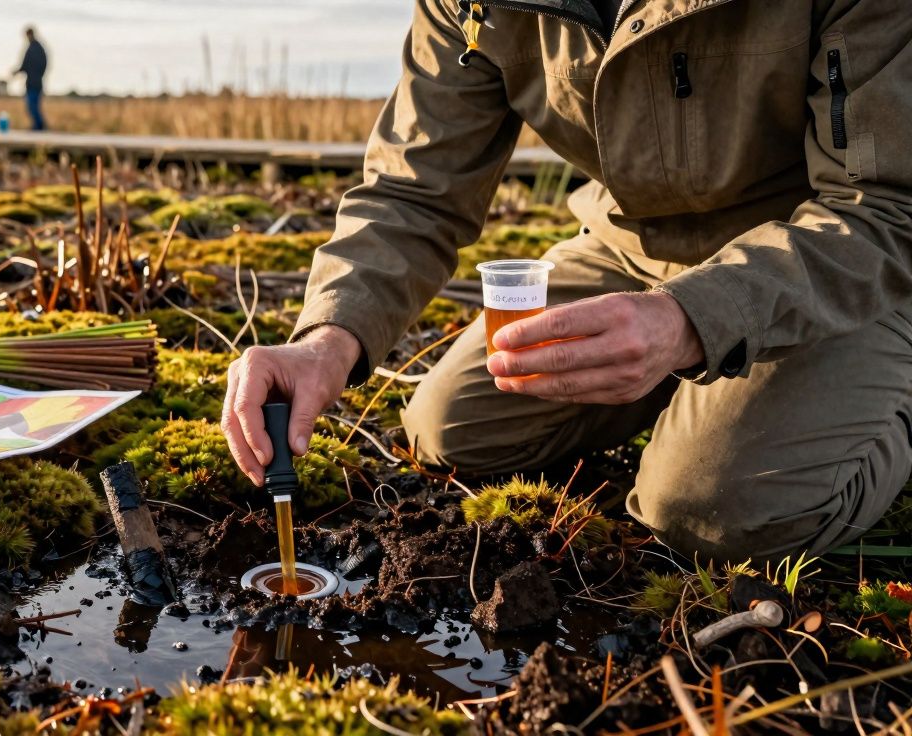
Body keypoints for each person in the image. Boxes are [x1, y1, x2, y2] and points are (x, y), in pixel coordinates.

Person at [222, 0, 912, 565]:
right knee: (451, 431)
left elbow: (885, 205)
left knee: (708, 511)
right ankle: (699, 390)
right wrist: (326, 338)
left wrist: (691, 319)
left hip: (830, 266)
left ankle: (883, 395)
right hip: (631, 251)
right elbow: (413, 190)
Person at [14, 26, 48, 131]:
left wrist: (18, 71)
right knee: (33, 106)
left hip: (34, 83)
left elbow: (25, 65)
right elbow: (43, 64)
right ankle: (38, 126)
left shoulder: (33, 48)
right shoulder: (38, 48)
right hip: (35, 82)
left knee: (32, 106)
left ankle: (39, 126)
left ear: (29, 34)